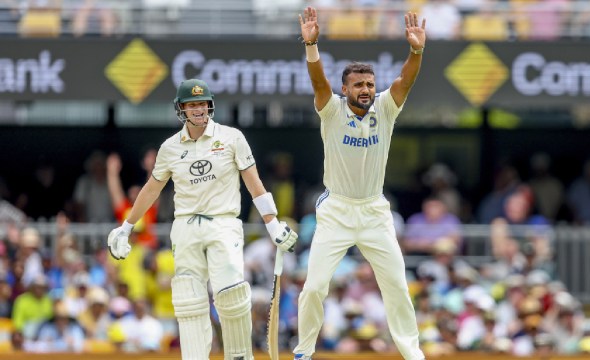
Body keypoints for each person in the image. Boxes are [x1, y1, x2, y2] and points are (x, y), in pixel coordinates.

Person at [106, 78, 298, 360]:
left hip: (224, 223)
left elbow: (254, 183)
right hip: (185, 226)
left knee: (230, 294)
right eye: (191, 104)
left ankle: (239, 356)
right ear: (180, 109)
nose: (198, 109)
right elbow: (151, 189)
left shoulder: (232, 138)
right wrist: (126, 227)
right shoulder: (170, 148)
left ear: (210, 106)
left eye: (202, 104)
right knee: (188, 299)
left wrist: (272, 223)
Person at [294, 7, 426, 360]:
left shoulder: (385, 108)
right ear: (345, 88)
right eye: (359, 84)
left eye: (369, 83)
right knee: (315, 287)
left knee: (397, 285)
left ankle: (412, 353)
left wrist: (416, 52)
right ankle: (303, 352)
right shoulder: (332, 109)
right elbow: (318, 82)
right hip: (336, 210)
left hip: (374, 211)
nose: (366, 89)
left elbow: (404, 81)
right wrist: (312, 46)